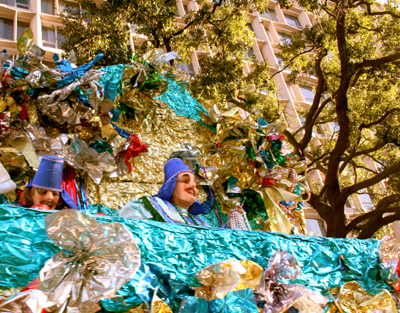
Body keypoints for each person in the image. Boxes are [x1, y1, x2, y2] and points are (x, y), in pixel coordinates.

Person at [120, 158, 208, 226]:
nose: (192, 186)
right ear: (171, 186)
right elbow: (128, 224)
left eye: (195, 183)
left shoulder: (198, 222)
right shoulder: (153, 206)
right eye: (185, 181)